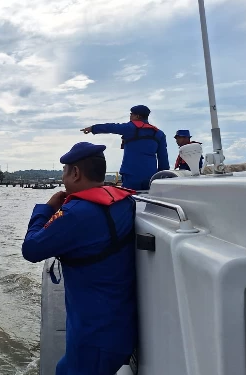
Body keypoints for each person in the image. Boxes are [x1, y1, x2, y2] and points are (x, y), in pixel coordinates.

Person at [21, 142, 137, 375]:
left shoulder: (74, 215)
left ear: (75, 172)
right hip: (118, 324)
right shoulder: (124, 202)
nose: (63, 178)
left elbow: (31, 249)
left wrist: (46, 209)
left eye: (64, 171)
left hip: (93, 337)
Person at [80, 105, 169, 190]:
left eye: (131, 114)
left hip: (131, 174)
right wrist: (162, 176)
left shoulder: (129, 128)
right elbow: (163, 158)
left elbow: (111, 127)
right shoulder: (159, 134)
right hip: (151, 175)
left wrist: (93, 128)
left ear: (137, 116)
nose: (130, 116)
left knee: (129, 200)